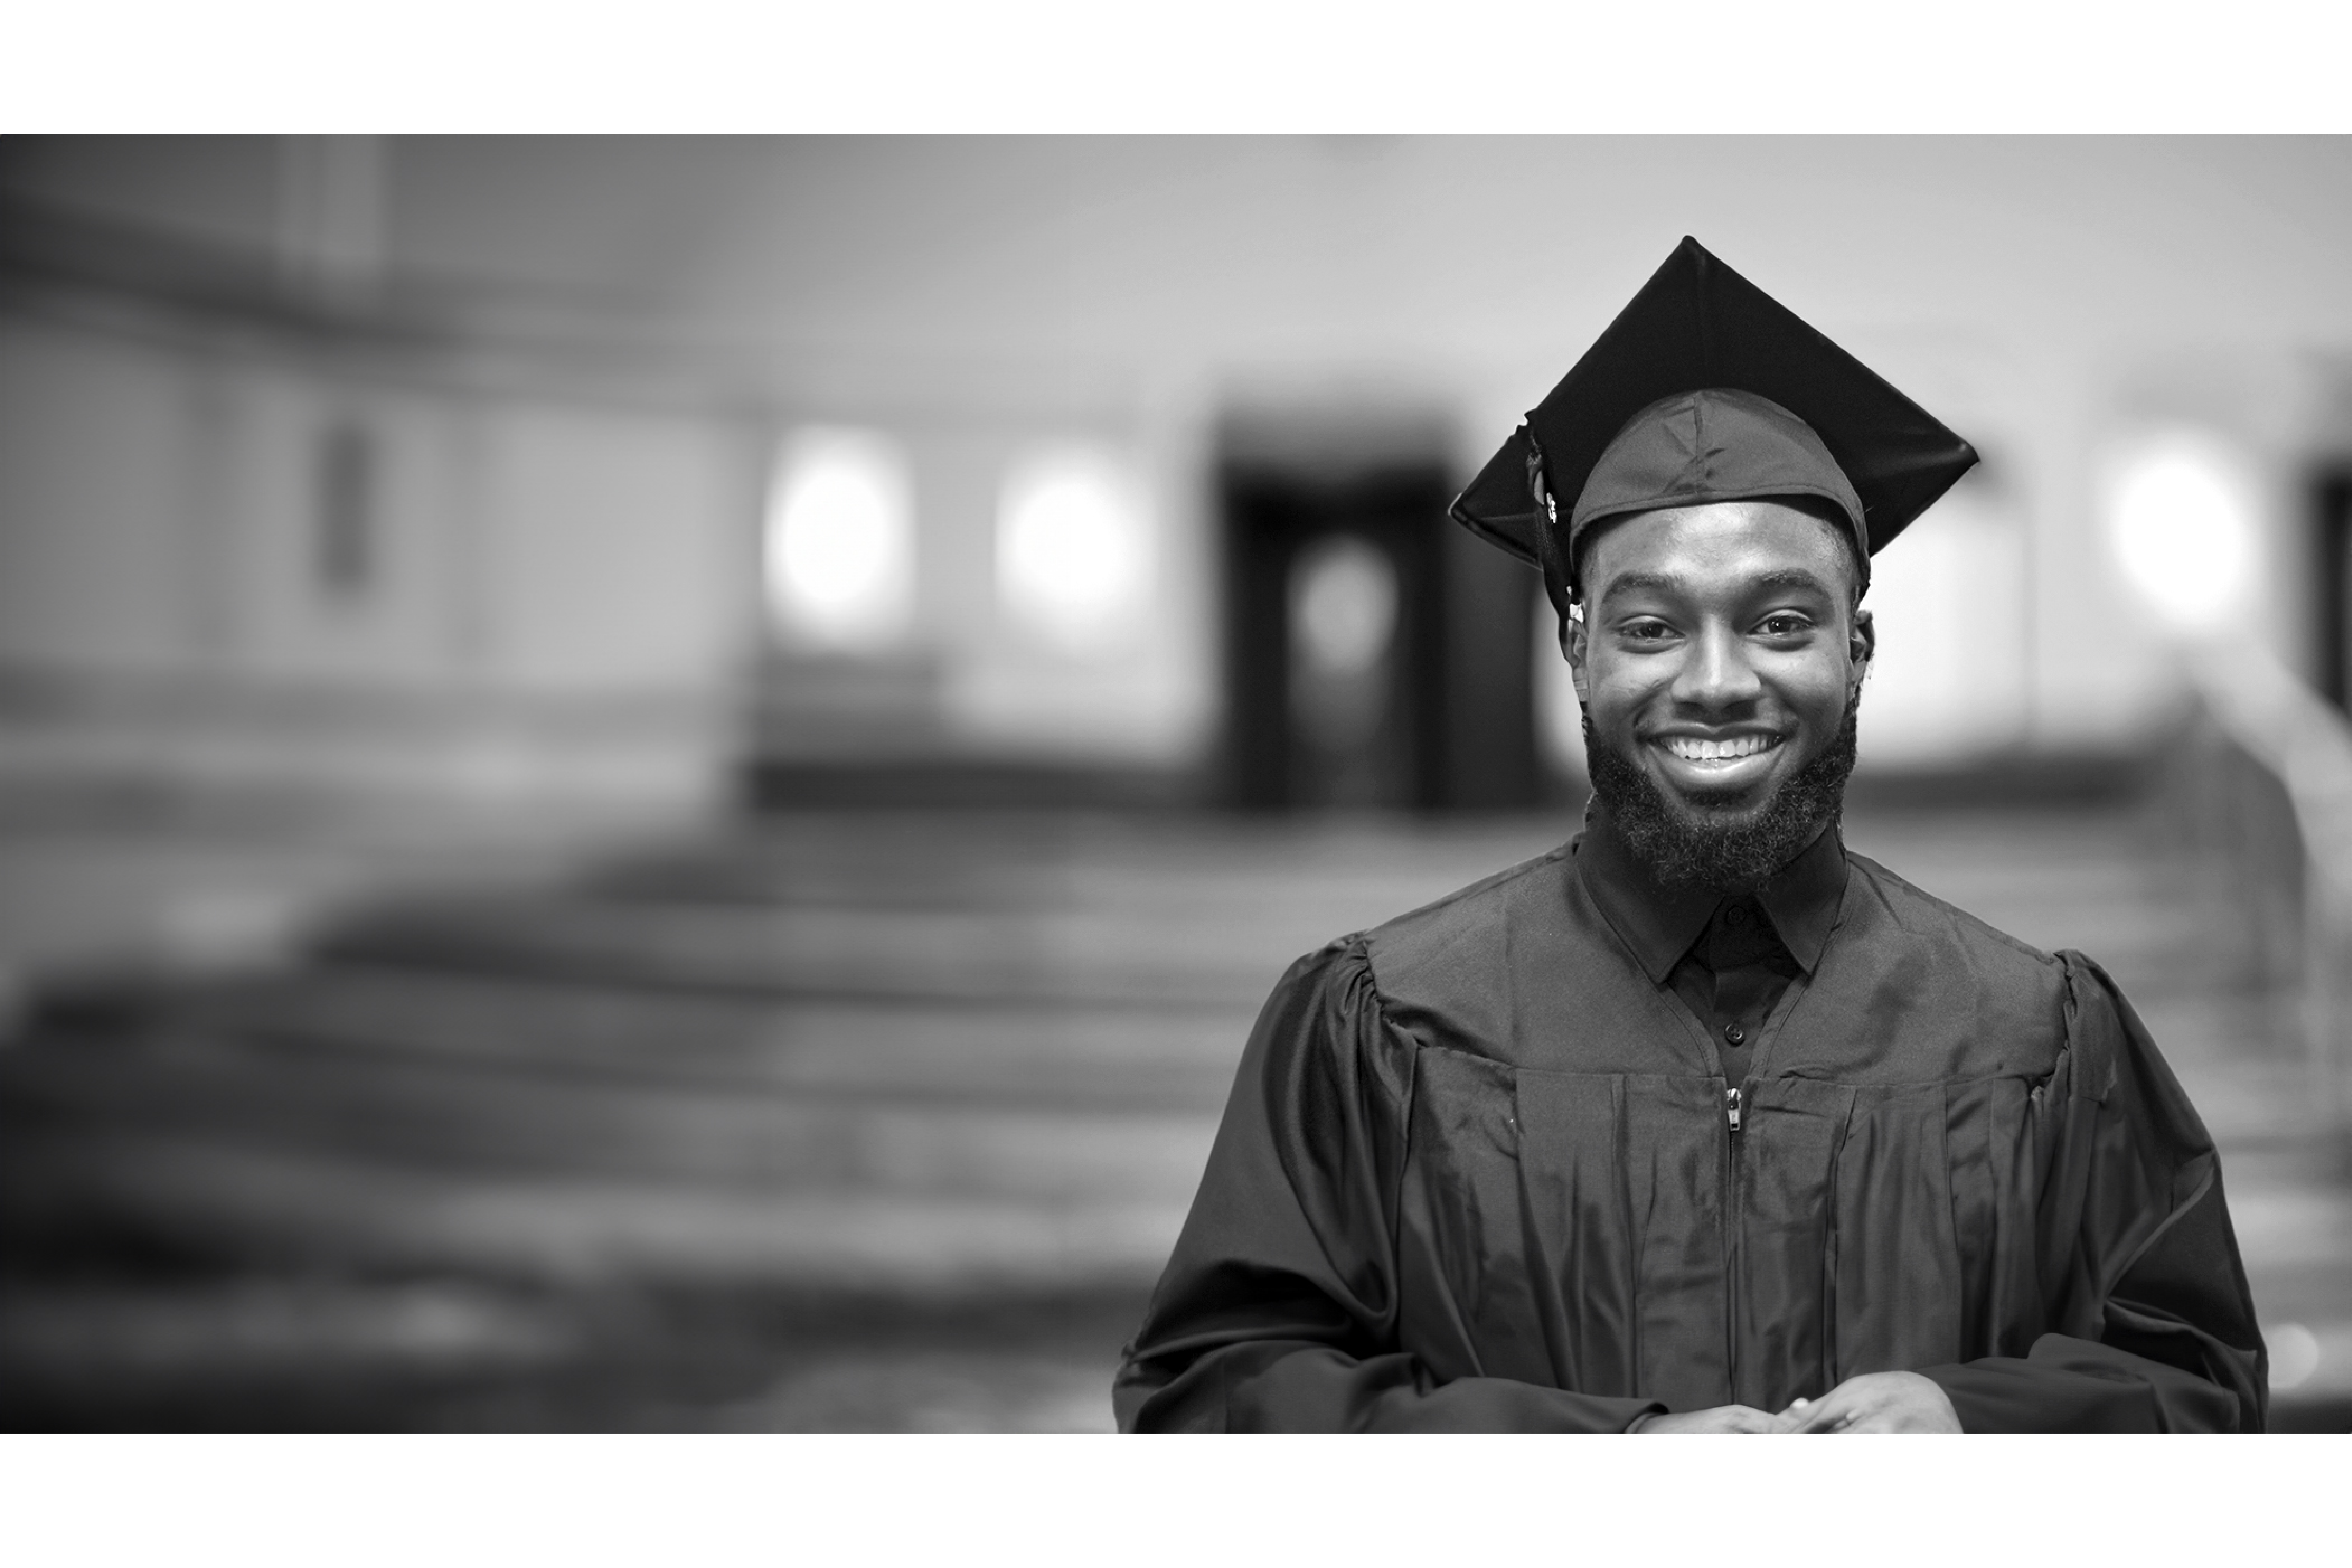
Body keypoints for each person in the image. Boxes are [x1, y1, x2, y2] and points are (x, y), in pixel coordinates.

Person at [1113, 237, 2268, 1433]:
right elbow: (1218, 1393)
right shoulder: (1384, 1025)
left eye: (1778, 620)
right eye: (1654, 627)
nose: (1717, 682)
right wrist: (1593, 1464)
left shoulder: (2038, 1038)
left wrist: (1978, 1427)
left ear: (1857, 648)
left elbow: (2199, 1382)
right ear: (1576, 647)